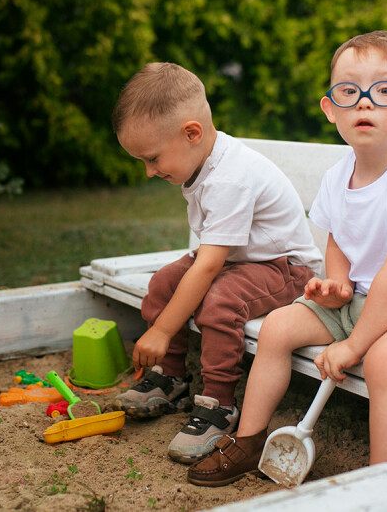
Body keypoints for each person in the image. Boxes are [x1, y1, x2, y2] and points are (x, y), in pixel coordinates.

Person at [187, 31, 387, 486]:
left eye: (385, 91)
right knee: (278, 327)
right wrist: (338, 283)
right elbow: (339, 239)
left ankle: (381, 479)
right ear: (331, 109)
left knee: (384, 359)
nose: (365, 103)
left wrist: (353, 345)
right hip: (366, 299)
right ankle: (249, 440)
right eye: (349, 92)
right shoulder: (338, 175)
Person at [111, 62, 323, 465]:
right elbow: (208, 259)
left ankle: (218, 406)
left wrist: (161, 329)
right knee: (165, 283)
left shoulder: (230, 176)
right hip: (240, 260)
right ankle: (171, 379)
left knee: (220, 300)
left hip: (285, 269)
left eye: (153, 159)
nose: (149, 171)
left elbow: (208, 268)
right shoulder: (200, 156)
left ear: (191, 133)